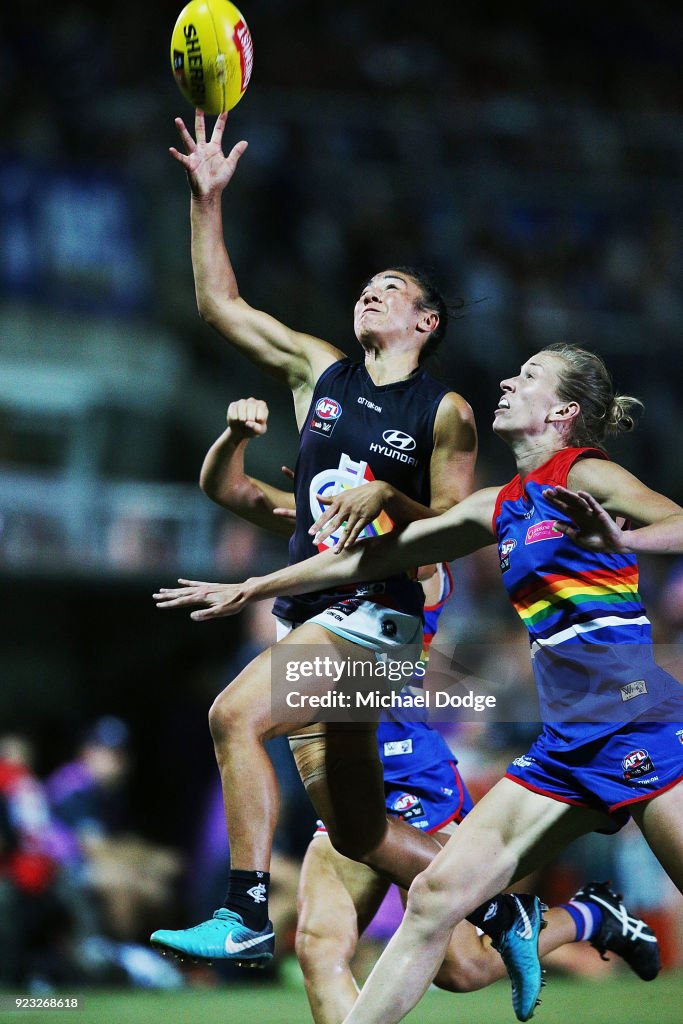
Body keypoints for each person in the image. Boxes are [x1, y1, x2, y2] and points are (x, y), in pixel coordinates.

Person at [156, 107, 560, 1012]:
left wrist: (391, 497)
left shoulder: (443, 410)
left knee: (230, 716)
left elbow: (461, 528)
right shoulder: (318, 375)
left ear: (424, 320)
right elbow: (221, 306)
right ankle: (505, 917)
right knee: (360, 829)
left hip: (379, 623)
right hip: (318, 616)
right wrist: (206, 198)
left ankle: (242, 908)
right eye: (365, 287)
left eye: (390, 290)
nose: (369, 295)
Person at [155, 344, 682, 1023]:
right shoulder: (495, 507)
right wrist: (255, 584)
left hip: (639, 728)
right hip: (564, 747)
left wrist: (624, 539)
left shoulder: (584, 474)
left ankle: (582, 918)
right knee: (434, 899)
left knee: (441, 943)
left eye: (525, 376)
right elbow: (370, 556)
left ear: (562, 410)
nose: (503, 378)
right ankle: (578, 918)